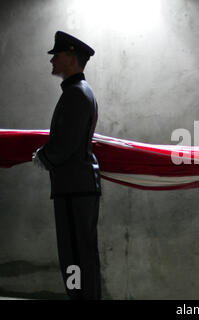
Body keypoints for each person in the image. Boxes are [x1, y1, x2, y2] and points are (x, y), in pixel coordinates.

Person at [32, 31, 102, 299]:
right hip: (77, 186)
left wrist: (44, 157)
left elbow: (66, 142)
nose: (52, 61)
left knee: (74, 257)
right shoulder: (79, 92)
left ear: (71, 59)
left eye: (56, 56)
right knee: (80, 255)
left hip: (74, 187)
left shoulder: (75, 94)